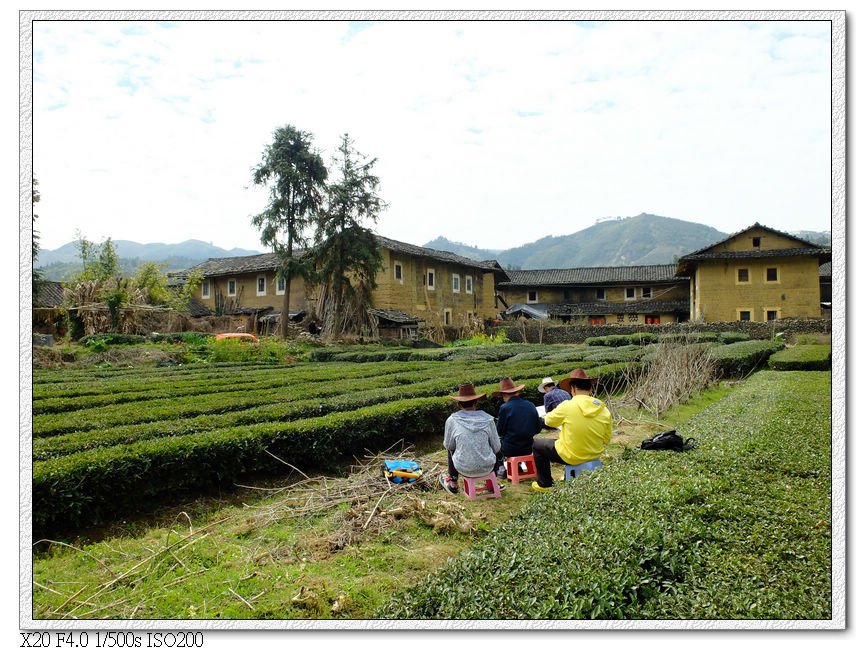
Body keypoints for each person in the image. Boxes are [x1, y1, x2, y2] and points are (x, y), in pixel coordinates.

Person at [531, 369, 612, 493]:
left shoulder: (567, 406)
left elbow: (549, 421)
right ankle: (568, 475)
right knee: (568, 441)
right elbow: (606, 439)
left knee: (537, 444)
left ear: (572, 389)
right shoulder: (603, 409)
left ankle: (544, 484)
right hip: (594, 454)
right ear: (591, 390)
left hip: (572, 456)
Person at [440, 383, 502, 495]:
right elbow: (497, 447)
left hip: (463, 467)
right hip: (487, 466)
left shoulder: (452, 420)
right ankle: (494, 483)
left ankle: (453, 483)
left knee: (450, 448)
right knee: (495, 445)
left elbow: (449, 446)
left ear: (459, 404)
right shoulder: (488, 420)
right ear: (476, 402)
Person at [492, 377, 542, 478]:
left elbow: (499, 432)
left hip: (511, 449)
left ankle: (500, 468)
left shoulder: (505, 408)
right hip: (529, 446)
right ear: (517, 392)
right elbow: (538, 428)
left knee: (495, 443)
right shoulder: (530, 405)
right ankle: (517, 467)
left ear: (504, 395)